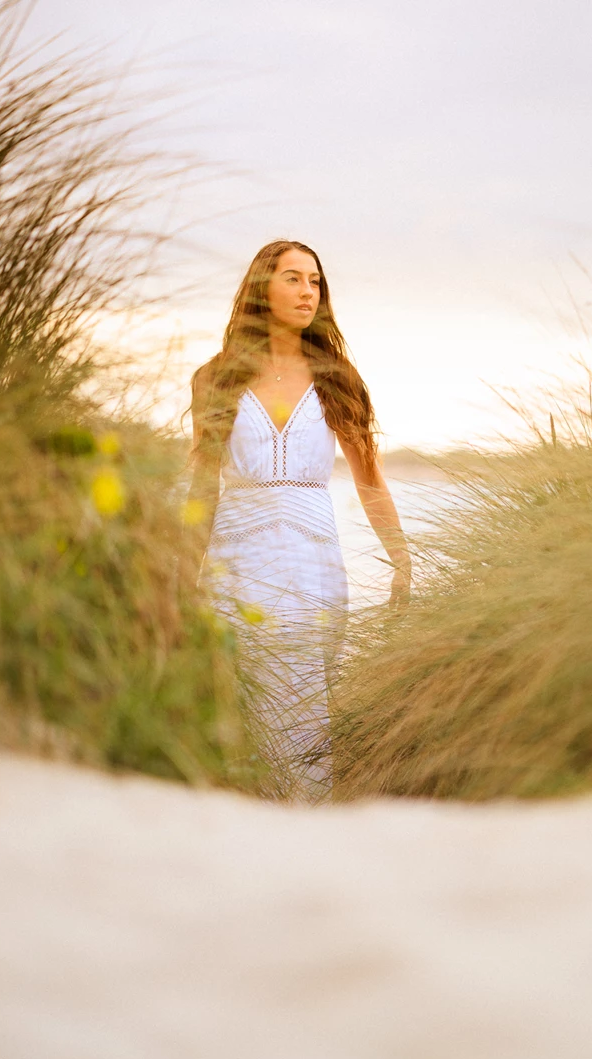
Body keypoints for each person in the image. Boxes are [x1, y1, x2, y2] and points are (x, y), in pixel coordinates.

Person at [186, 239, 411, 802]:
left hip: (314, 563)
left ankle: (305, 815)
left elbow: (369, 479)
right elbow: (202, 482)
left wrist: (402, 560)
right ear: (262, 287)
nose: (307, 291)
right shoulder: (216, 376)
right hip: (236, 560)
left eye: (314, 281)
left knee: (305, 699)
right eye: (292, 278)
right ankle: (238, 814)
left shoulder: (339, 377)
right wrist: (182, 567)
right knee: (237, 692)